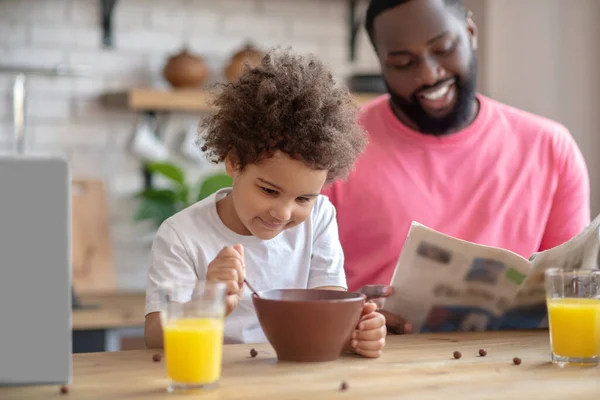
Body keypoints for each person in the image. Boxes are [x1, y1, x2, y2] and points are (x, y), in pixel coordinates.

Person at [322, 0, 590, 333]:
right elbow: (292, 282)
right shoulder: (333, 151)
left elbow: (573, 288)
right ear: (382, 65)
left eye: (444, 48)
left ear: (470, 32)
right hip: (374, 360)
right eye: (403, 63)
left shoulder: (551, 148)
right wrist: (345, 312)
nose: (429, 74)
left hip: (510, 365)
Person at [144, 48, 387, 358]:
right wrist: (209, 300)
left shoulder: (321, 216)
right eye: (270, 191)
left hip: (293, 375)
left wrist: (358, 330)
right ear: (234, 162)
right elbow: (154, 336)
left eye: (303, 198)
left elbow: (329, 302)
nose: (283, 213)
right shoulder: (181, 234)